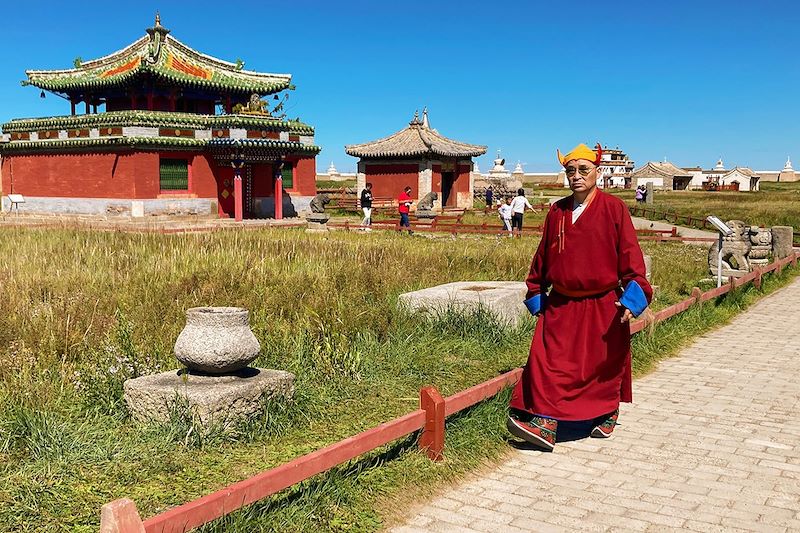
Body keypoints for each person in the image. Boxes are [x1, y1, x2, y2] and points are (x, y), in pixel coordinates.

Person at [506, 143, 652, 451]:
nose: (576, 176)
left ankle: (606, 411)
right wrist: (536, 293)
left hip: (603, 304)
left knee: (599, 366)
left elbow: (631, 261)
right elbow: (542, 259)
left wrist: (633, 300)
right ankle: (545, 422)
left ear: (597, 172)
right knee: (549, 361)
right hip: (560, 302)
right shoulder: (557, 211)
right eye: (570, 171)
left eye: (583, 170)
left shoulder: (614, 209)